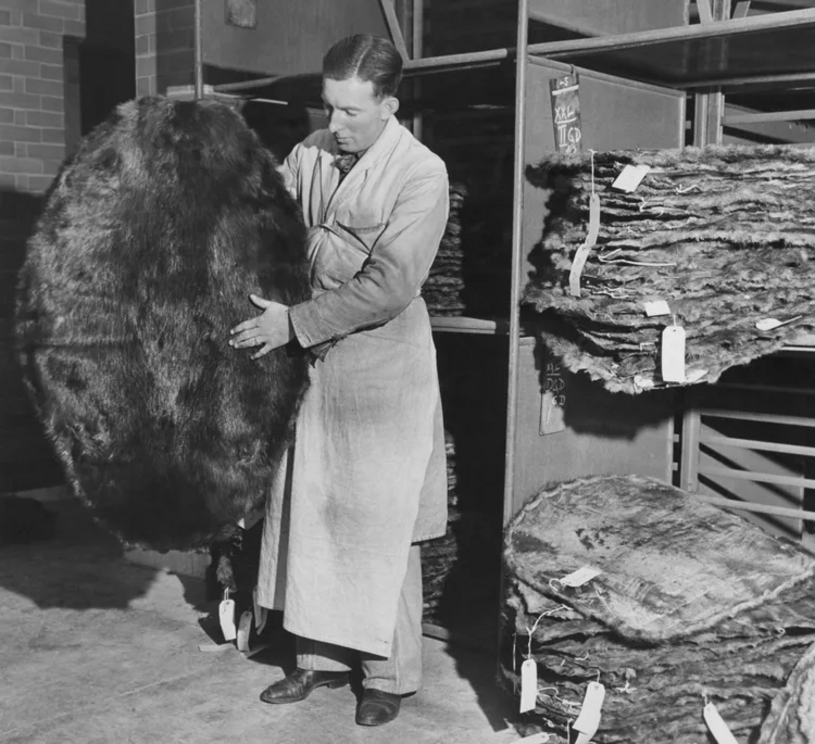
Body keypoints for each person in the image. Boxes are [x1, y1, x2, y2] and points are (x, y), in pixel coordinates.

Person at [228, 34, 449, 727]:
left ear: (389, 103)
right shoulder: (309, 153)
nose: (338, 125)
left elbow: (388, 286)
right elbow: (274, 228)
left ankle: (387, 677)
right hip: (310, 361)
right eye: (330, 109)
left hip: (381, 369)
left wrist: (290, 324)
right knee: (311, 510)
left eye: (353, 112)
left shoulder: (421, 174)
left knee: (379, 526)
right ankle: (317, 661)